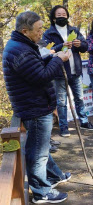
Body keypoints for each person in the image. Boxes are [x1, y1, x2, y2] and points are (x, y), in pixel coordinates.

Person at [3, 11, 71, 204]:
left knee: (41, 147)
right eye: (39, 29)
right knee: (38, 152)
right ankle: (41, 191)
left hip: (35, 104)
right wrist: (59, 60)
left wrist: (52, 57)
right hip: (34, 107)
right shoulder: (21, 51)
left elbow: (37, 67)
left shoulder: (22, 45)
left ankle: (54, 175)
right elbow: (41, 76)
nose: (42, 33)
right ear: (25, 31)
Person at [43, 5, 93, 137]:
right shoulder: (48, 33)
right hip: (59, 72)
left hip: (75, 70)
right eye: (59, 14)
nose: (62, 16)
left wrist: (80, 44)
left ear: (67, 16)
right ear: (54, 17)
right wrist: (61, 46)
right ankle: (64, 127)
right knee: (61, 102)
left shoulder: (74, 30)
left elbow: (86, 47)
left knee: (79, 98)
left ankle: (84, 122)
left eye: (64, 14)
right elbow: (46, 52)